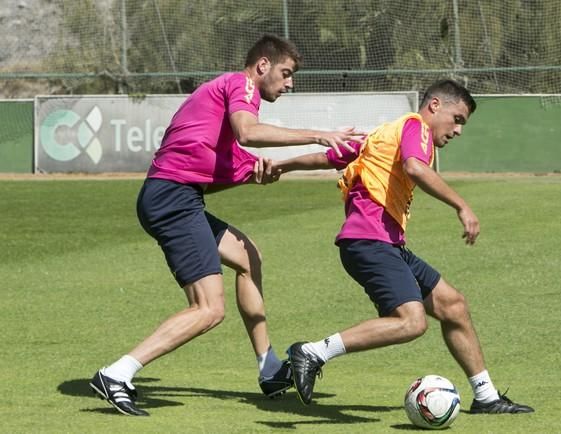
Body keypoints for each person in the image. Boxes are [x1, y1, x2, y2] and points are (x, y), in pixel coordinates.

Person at [89, 34, 362, 417]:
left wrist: (338, 154)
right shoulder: (241, 84)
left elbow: (250, 167)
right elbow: (249, 133)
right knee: (208, 309)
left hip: (175, 196)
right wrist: (320, 133)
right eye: (286, 73)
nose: (290, 84)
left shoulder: (219, 130)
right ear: (263, 66)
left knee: (248, 256)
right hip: (171, 198)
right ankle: (118, 373)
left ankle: (269, 368)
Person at [275, 79, 534, 414]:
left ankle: (486, 397)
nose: (458, 131)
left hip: (385, 243)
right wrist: (461, 205)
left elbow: (329, 157)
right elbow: (415, 167)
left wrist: (280, 165)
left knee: (453, 305)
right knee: (411, 322)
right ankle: (313, 352)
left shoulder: (384, 135)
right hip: (369, 240)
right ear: (435, 105)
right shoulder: (415, 127)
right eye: (458, 119)